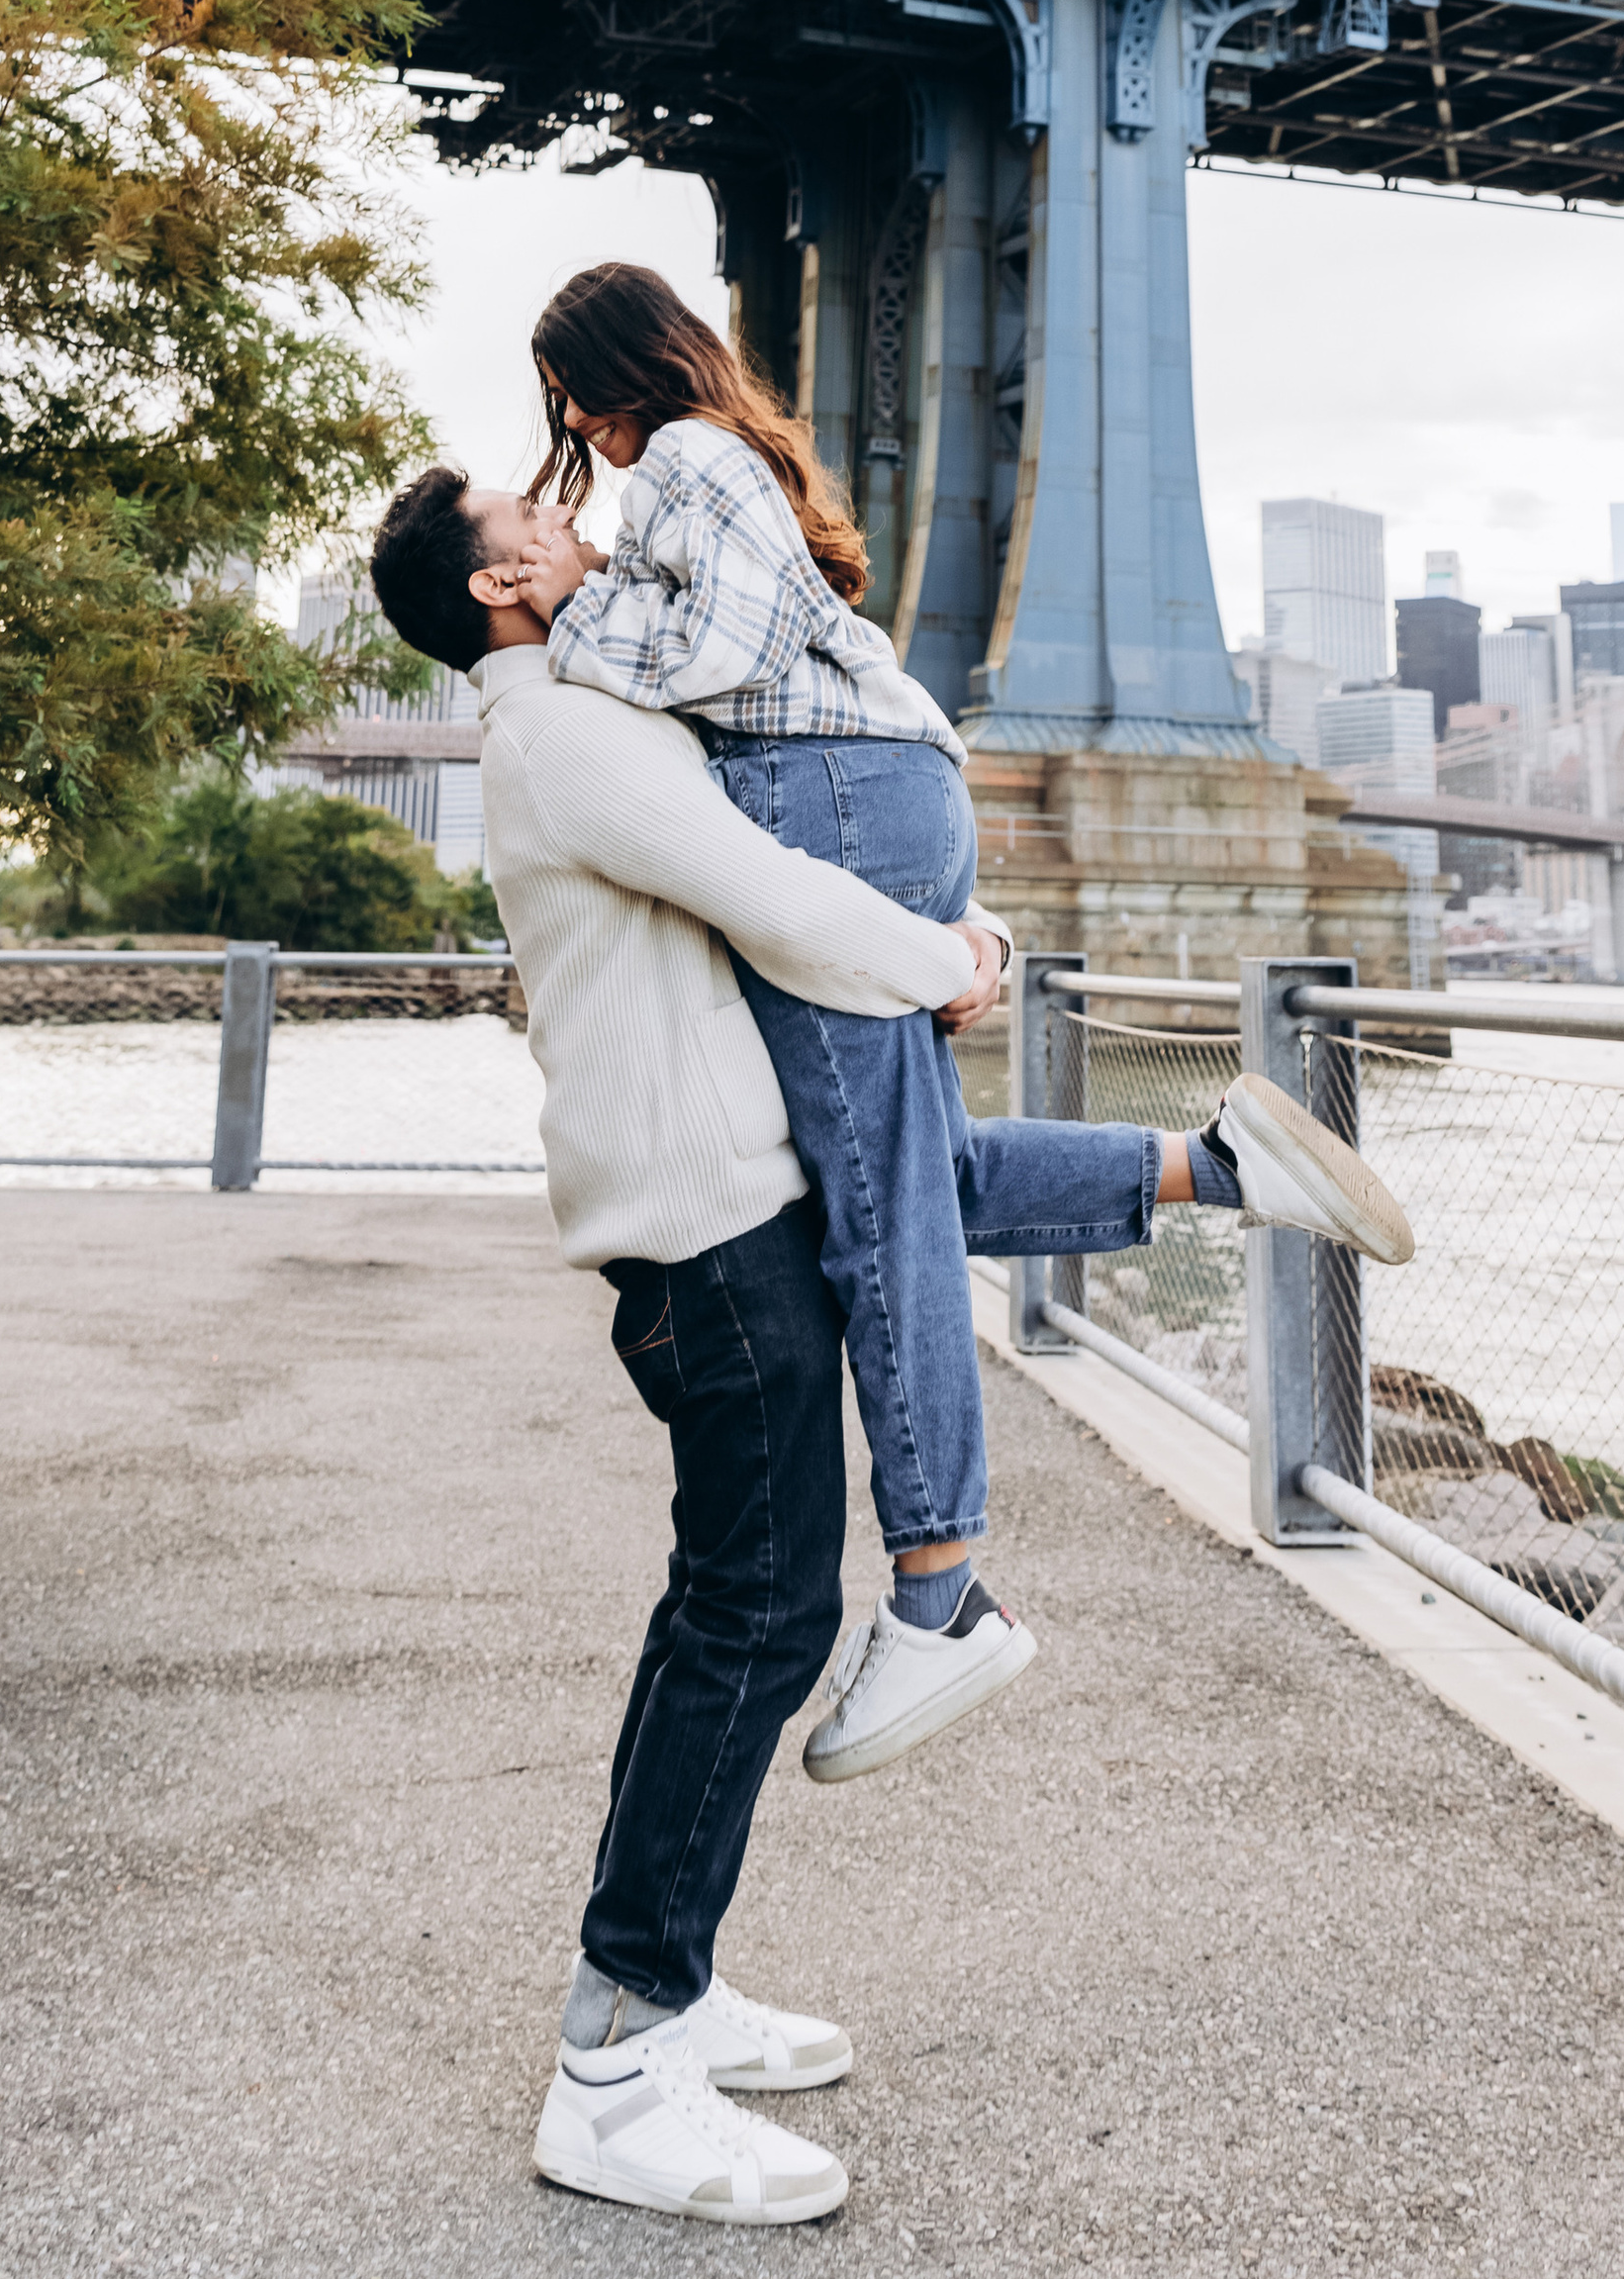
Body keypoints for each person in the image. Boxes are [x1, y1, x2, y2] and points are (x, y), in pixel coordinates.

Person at [368, 459, 1405, 2231]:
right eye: (524, 520)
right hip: (708, 1249)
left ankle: (665, 1991)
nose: (565, 517)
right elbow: (772, 889)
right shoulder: (569, 735)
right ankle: (612, 2065)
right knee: (753, 1624)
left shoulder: (583, 715)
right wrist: (953, 950)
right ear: (492, 591)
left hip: (726, 1216)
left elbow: (902, 1154)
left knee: (730, 1608)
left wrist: (1004, 989)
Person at [514, 259, 1413, 1787]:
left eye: (571, 410)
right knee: (909, 1178)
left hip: (837, 806)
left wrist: (568, 618)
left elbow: (716, 653)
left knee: (872, 1218)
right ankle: (1222, 1163)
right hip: (879, 793)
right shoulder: (721, 460)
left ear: (609, 381)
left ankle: (941, 1586)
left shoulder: (683, 457)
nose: (581, 451)